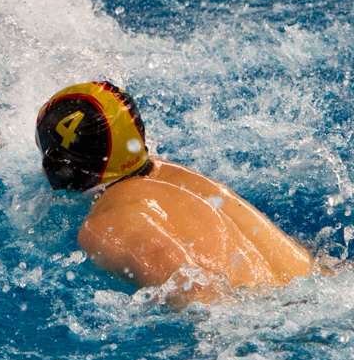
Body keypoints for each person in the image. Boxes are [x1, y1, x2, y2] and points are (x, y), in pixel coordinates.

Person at [36, 81, 315, 306]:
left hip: (269, 319)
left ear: (61, 167)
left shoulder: (106, 225)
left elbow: (196, 292)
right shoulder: (177, 176)